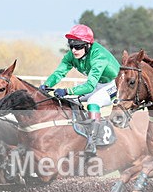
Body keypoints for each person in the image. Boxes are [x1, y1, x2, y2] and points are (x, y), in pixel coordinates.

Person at [39, 24, 119, 152]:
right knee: (69, 99)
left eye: (78, 46)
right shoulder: (72, 55)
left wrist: (67, 90)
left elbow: (89, 85)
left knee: (93, 102)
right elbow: (59, 73)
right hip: (97, 84)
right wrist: (47, 85)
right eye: (71, 46)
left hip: (114, 84)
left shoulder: (99, 56)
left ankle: (92, 142)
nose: (74, 50)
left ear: (88, 45)